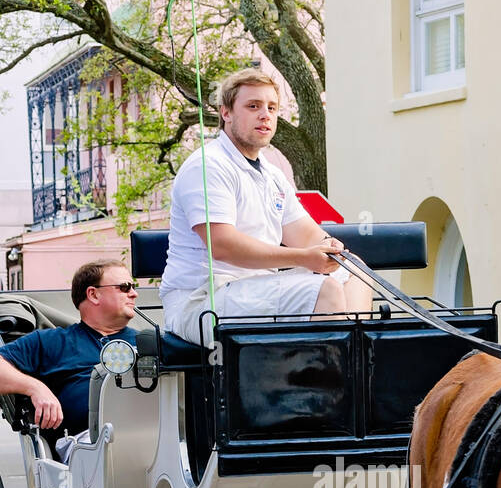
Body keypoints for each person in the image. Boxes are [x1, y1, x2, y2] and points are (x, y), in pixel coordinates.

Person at [160, 68, 374, 343]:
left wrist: (332, 250)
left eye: (272, 107)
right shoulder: (208, 165)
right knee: (326, 290)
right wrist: (303, 257)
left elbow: (307, 234)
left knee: (354, 269)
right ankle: (321, 382)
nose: (265, 115)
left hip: (255, 292)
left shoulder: (272, 174)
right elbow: (223, 244)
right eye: (253, 106)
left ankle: (354, 368)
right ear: (226, 113)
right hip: (201, 300)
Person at [0, 259, 138, 460]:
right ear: (93, 294)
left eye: (133, 287)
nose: (134, 293)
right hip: (86, 445)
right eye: (124, 287)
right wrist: (35, 388)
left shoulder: (149, 342)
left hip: (153, 436)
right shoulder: (52, 342)